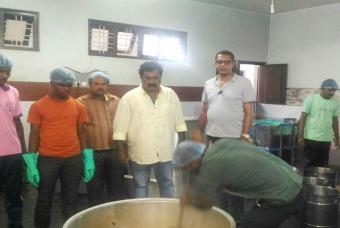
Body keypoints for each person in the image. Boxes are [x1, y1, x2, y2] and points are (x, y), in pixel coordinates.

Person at [173, 137, 304, 228]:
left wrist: (189, 199)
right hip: (295, 180)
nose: (186, 172)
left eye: (186, 168)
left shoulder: (210, 167)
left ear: (195, 162)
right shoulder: (219, 145)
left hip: (285, 195)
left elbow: (206, 204)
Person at [23, 68, 95, 228]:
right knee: (44, 199)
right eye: (63, 85)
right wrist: (31, 162)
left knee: (71, 199)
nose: (67, 89)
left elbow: (82, 132)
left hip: (73, 160)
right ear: (52, 84)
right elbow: (34, 134)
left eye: (69, 85)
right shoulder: (38, 106)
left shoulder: (78, 106)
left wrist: (88, 158)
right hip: (48, 160)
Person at [113, 61, 187, 198]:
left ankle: (167, 213)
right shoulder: (129, 98)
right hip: (140, 151)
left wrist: (182, 147)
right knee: (140, 185)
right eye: (148, 78)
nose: (152, 81)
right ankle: (141, 216)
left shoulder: (170, 95)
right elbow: (120, 129)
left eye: (155, 78)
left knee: (167, 183)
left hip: (165, 151)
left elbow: (180, 123)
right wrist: (121, 151)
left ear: (160, 78)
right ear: (141, 78)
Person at [77, 71, 127, 206]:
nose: (101, 87)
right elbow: (78, 128)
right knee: (94, 188)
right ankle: (95, 217)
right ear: (89, 85)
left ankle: (115, 218)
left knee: (116, 186)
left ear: (108, 85)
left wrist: (124, 149)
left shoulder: (117, 101)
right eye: (96, 84)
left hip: (115, 150)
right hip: (93, 152)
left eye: (104, 84)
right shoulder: (81, 103)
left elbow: (124, 124)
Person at [198, 50, 255, 143]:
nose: (222, 65)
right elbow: (204, 110)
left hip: (235, 136)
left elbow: (248, 112)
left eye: (227, 62)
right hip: (211, 134)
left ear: (233, 64)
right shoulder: (208, 83)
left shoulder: (244, 83)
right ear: (215, 64)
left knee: (231, 158)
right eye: (219, 62)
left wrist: (245, 134)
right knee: (213, 158)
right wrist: (199, 131)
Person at [0, 54, 26, 228]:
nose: (3, 75)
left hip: (12, 154)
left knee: (14, 197)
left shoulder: (13, 91)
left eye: (6, 71)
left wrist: (23, 152)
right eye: (0, 71)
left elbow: (17, 122)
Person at [298, 79, 340, 167]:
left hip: (326, 139)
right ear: (322, 89)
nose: (332, 92)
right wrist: (300, 136)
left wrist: (337, 138)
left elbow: (335, 121)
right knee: (309, 164)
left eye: (334, 90)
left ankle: (318, 181)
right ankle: (307, 180)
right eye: (330, 90)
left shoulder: (335, 103)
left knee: (322, 165)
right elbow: (303, 119)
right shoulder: (311, 99)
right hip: (311, 138)